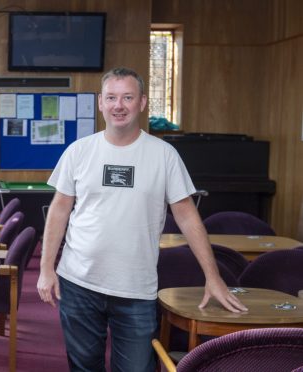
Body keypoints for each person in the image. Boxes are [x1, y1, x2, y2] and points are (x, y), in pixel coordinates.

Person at [36, 67, 248, 372]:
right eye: (111, 97)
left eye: (127, 97)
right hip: (78, 283)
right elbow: (59, 210)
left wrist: (213, 277)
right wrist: (46, 269)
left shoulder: (164, 155)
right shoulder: (78, 152)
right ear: (100, 102)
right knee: (83, 368)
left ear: (142, 103)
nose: (118, 105)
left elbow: (188, 217)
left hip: (136, 290)